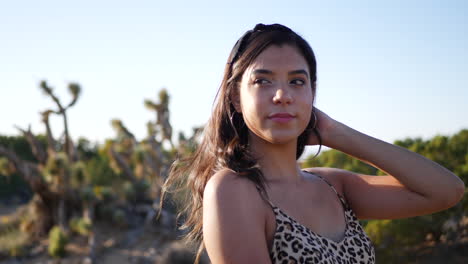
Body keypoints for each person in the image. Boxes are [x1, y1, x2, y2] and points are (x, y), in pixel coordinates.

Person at [160, 23, 465, 264]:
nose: (283, 95)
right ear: (235, 98)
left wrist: (336, 133)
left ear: (312, 94)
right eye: (263, 81)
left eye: (297, 81)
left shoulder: (333, 186)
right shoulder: (233, 190)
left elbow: (446, 190)